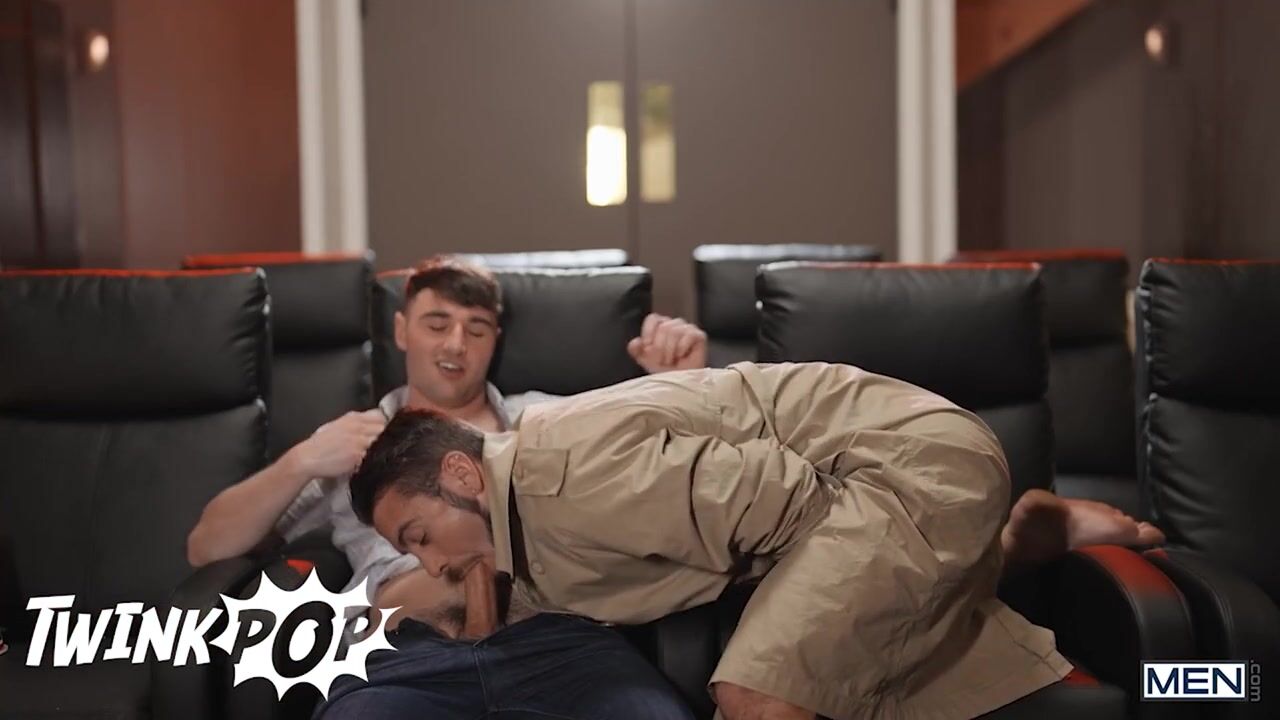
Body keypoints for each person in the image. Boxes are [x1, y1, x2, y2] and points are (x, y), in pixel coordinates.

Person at [349, 362, 1158, 720]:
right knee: (843, 632)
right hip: (868, 499)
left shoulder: (575, 476)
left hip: (904, 467)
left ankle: (982, 532)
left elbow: (797, 503)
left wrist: (791, 649)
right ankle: (1014, 544)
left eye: (420, 535)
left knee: (757, 694)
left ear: (461, 472)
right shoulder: (522, 527)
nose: (432, 560)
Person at [187, 256, 707, 720]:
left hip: (561, 644)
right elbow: (207, 547)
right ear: (402, 330)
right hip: (400, 659)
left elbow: (672, 483)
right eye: (437, 324)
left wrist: (685, 385)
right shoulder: (352, 443)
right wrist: (302, 461)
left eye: (476, 329)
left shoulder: (542, 417)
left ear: (495, 339)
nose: (456, 344)